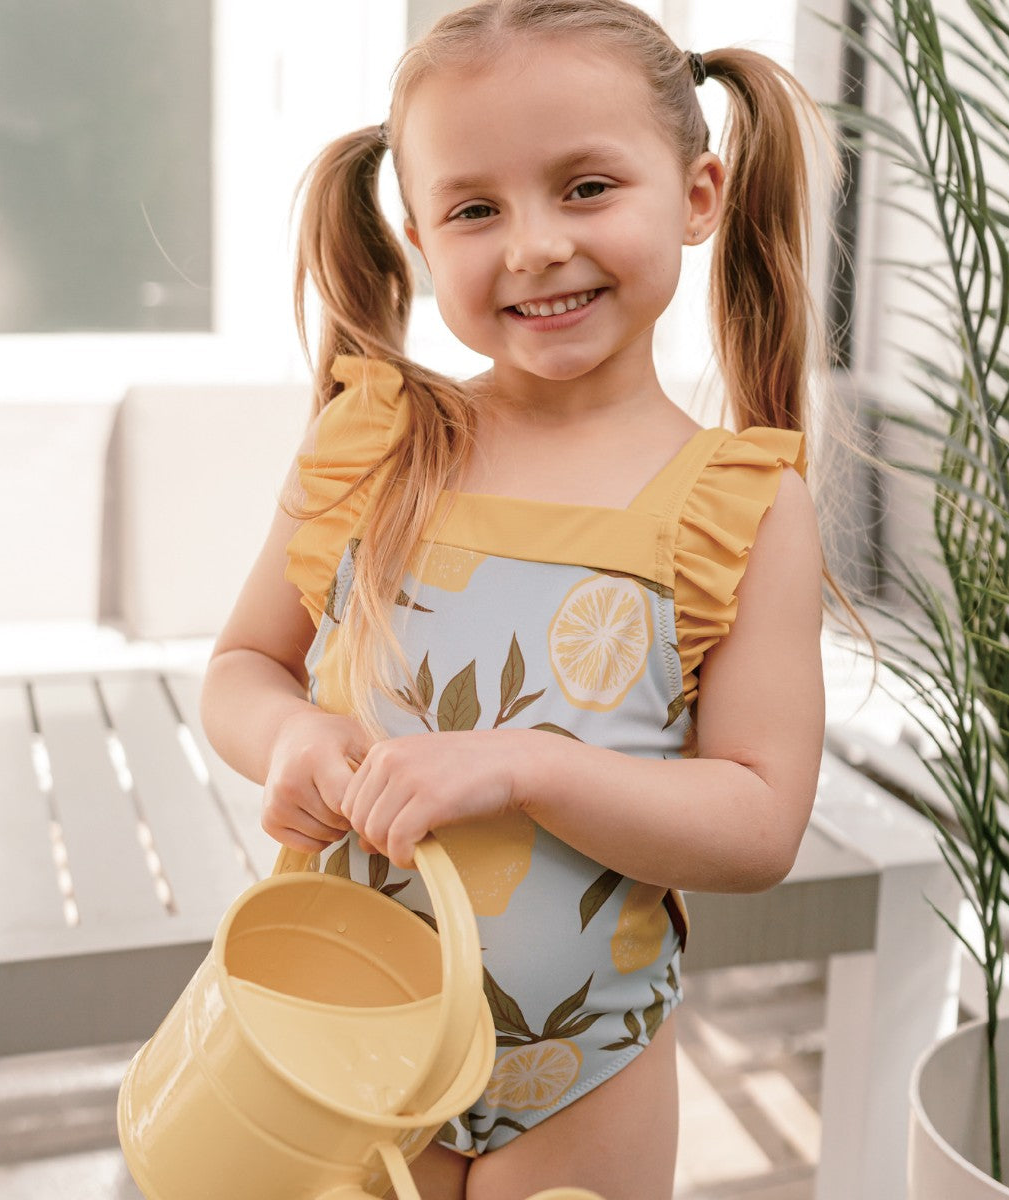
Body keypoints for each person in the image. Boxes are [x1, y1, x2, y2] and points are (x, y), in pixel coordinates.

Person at [201, 2, 848, 1197]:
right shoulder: (375, 444)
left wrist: (524, 766)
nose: (534, 246)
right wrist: (288, 731)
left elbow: (760, 824)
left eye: (588, 187)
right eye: (476, 209)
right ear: (416, 234)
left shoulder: (741, 505)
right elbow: (242, 666)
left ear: (698, 193)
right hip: (348, 1031)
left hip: (585, 1070)